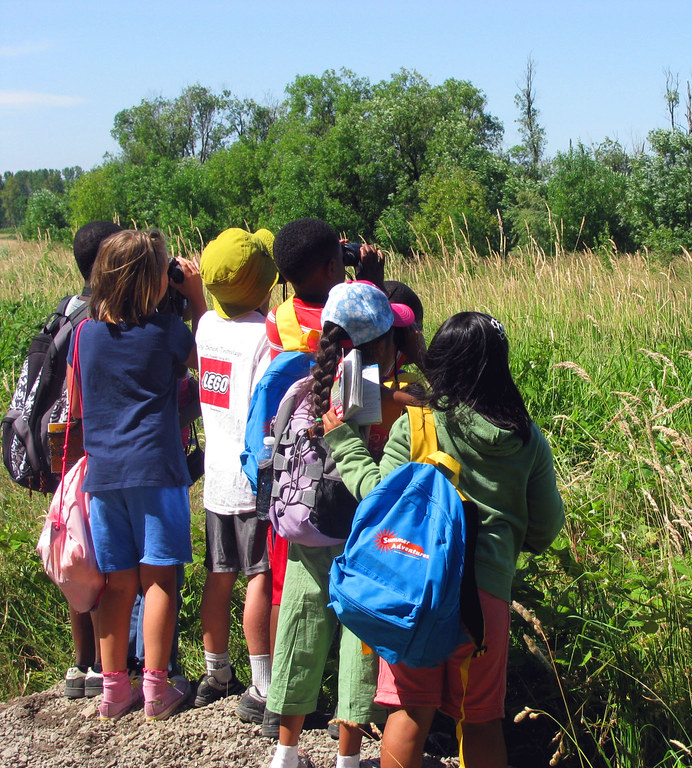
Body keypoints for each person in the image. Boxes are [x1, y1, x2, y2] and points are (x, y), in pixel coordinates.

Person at [324, 311, 565, 768]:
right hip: (485, 600)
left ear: (443, 360)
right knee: (481, 719)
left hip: (416, 588)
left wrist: (345, 444)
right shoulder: (527, 438)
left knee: (410, 707)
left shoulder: (419, 424)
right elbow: (545, 528)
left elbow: (380, 499)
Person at [267, 281, 416, 768]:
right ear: (383, 341)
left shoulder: (306, 385)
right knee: (358, 639)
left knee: (299, 627)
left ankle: (285, 753)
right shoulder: (377, 394)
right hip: (357, 533)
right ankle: (347, 759)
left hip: (307, 525)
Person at [66, 229, 207, 721]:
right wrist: (195, 297)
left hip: (104, 474)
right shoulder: (168, 332)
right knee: (160, 581)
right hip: (158, 468)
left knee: (117, 584)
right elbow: (207, 365)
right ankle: (155, 689)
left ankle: (112, 690)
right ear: (153, 282)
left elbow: (76, 402)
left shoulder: (84, 334)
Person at [193, 228, 278, 722]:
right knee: (258, 579)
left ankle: (217, 671)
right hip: (251, 480)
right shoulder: (262, 337)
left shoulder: (204, 327)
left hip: (215, 476)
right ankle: (263, 687)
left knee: (218, 575)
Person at [60, 220, 121, 699]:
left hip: (73, 459)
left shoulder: (69, 311)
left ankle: (81, 665)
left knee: (77, 557)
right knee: (99, 560)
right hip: (98, 460)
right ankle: (105, 666)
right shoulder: (97, 319)